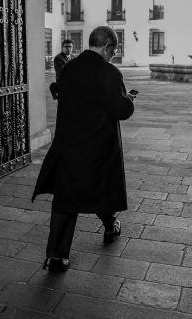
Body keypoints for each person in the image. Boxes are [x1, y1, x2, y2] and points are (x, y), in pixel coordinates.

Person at [32, 26, 135, 272]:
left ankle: (56, 256)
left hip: (70, 144)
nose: (113, 55)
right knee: (102, 190)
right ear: (107, 46)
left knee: (66, 198)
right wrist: (128, 100)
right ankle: (110, 227)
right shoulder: (109, 72)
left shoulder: (69, 68)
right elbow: (121, 110)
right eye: (114, 50)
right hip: (99, 147)